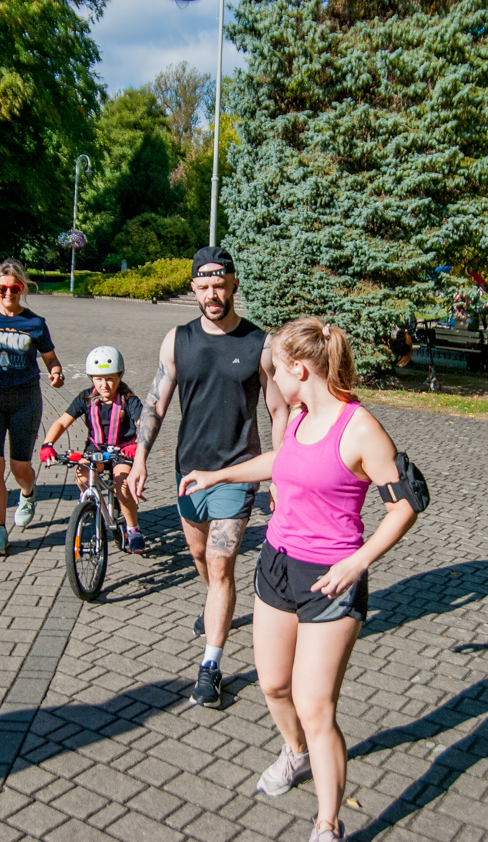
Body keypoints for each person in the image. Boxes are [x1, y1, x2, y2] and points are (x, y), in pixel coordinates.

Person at [179, 317, 417, 842]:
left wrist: (358, 563)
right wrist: (219, 474)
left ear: (298, 369)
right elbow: (280, 460)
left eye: (274, 371)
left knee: (316, 707)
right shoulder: (301, 416)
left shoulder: (359, 427)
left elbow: (405, 506)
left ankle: (327, 823)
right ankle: (295, 753)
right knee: (273, 685)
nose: (271, 381)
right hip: (276, 566)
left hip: (331, 578)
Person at [128, 245, 289, 709]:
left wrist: (278, 473)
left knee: (221, 566)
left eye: (221, 285)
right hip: (189, 474)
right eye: (205, 286)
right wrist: (139, 459)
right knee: (200, 558)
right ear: (194, 289)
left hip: (238, 472)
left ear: (234, 284)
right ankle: (215, 604)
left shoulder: (259, 343)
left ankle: (210, 666)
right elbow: (156, 404)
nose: (214, 294)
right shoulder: (177, 340)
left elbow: (278, 410)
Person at [0, 259, 65, 556]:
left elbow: (50, 359)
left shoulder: (35, 323)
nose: (8, 293)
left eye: (15, 287)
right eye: (2, 288)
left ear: (22, 288)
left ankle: (28, 492)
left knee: (20, 467)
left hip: (25, 399)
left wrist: (56, 372)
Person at [40, 346, 145, 553]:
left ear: (119, 376)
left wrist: (138, 445)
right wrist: (47, 444)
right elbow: (62, 423)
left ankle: (133, 529)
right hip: (96, 448)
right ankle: (91, 506)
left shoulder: (129, 400)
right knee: (81, 476)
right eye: (98, 379)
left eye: (110, 379)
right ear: (91, 378)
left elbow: (145, 425)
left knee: (122, 484)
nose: (104, 385)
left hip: (123, 450)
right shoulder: (86, 398)